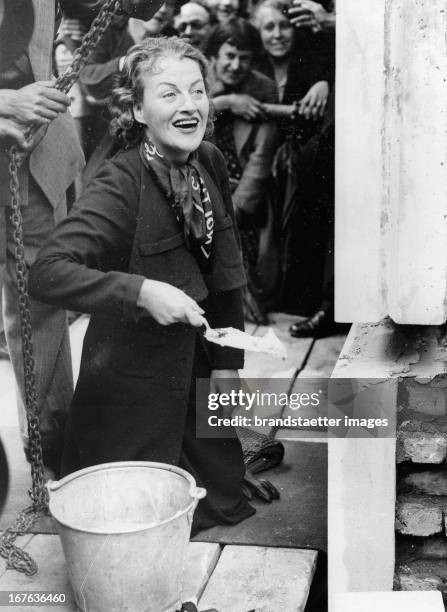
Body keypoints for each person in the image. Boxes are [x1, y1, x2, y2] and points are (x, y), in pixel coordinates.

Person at [29, 36, 256, 534]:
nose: (190, 106)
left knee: (223, 497)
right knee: (143, 516)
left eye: (197, 91)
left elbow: (226, 272)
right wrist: (139, 292)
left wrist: (227, 366)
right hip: (132, 403)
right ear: (136, 109)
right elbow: (47, 270)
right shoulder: (120, 183)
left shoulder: (209, 161)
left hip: (194, 385)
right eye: (170, 94)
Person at [0, 0, 167, 478]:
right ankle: (51, 448)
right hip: (11, 144)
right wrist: (4, 102)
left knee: (47, 301)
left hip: (43, 160)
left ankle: (58, 442)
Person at [204, 18, 279, 321]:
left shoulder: (264, 88)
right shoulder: (198, 80)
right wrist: (225, 101)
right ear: (214, 56)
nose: (235, 65)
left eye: (244, 58)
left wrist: (234, 211)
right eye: (229, 56)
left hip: (240, 195)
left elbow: (262, 158)